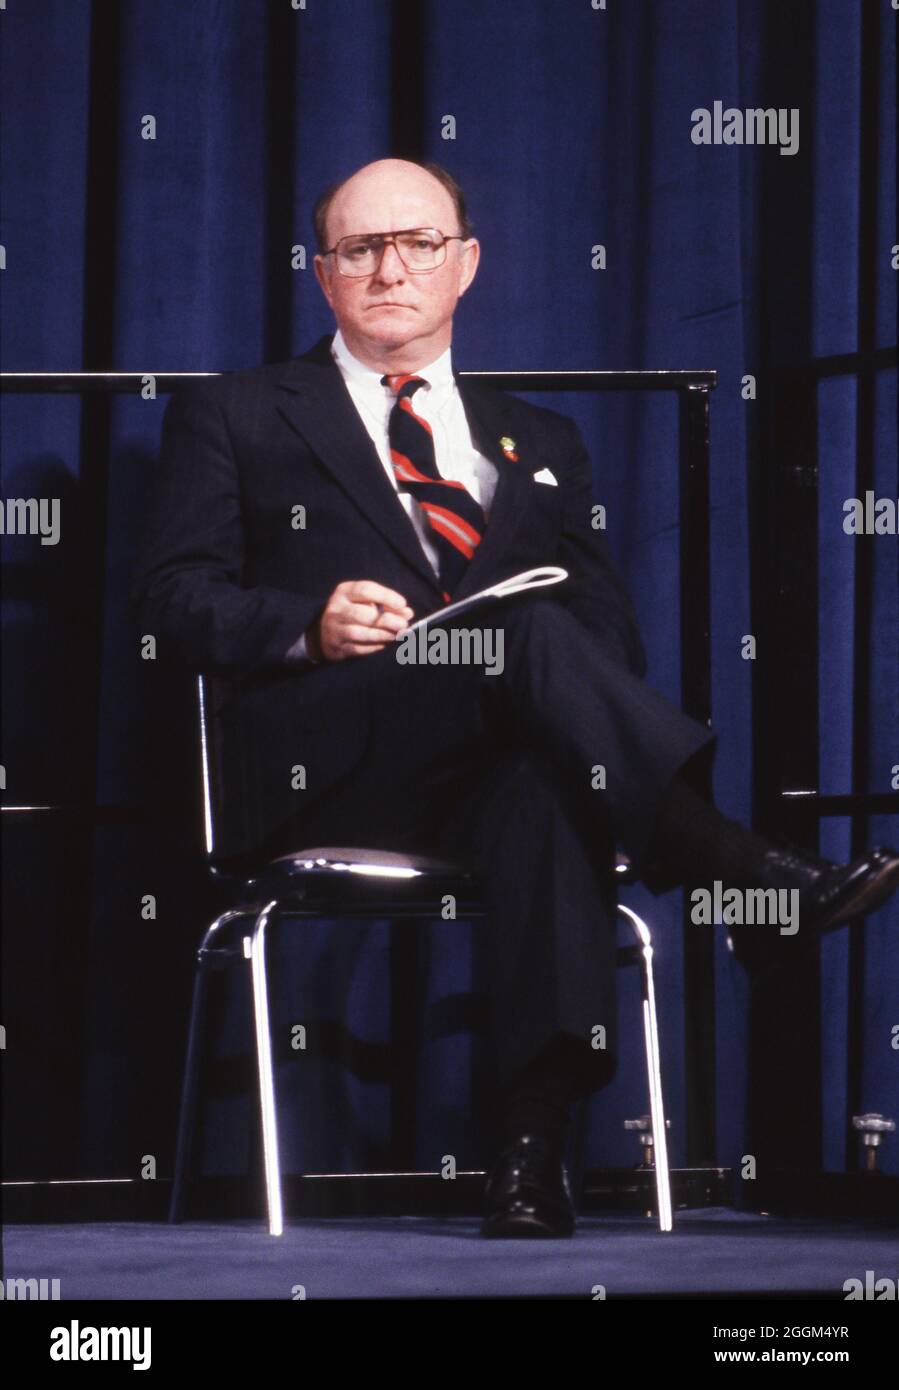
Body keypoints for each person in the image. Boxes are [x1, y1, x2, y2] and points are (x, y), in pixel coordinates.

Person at [132, 158, 899, 1238]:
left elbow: (608, 634)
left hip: (494, 764)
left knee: (547, 778)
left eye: (418, 243)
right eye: (360, 248)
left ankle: (527, 1157)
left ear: (467, 263)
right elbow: (169, 601)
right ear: (321, 274)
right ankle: (735, 874)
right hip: (328, 766)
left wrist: (514, 645)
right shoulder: (240, 413)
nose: (390, 268)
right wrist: (303, 624)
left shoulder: (540, 441)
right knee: (519, 641)